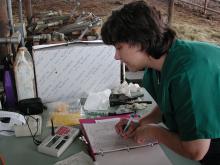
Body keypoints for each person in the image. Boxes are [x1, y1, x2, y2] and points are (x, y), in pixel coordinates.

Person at [101, 1, 220, 165]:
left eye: (119, 47)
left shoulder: (187, 73)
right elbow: (168, 101)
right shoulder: (158, 64)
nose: (116, 56)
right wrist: (142, 123)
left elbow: (196, 150)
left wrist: (153, 131)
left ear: (141, 42)